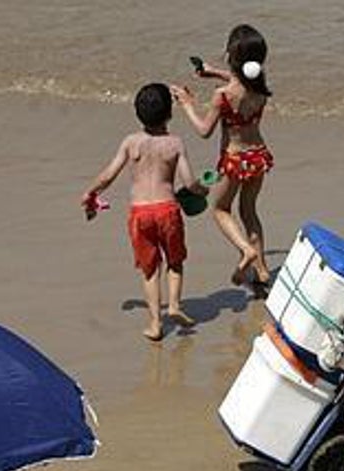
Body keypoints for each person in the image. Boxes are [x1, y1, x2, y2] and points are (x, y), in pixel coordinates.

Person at [81, 83, 203, 341]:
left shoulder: (131, 142)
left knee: (150, 270)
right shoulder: (175, 144)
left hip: (140, 214)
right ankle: (174, 305)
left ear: (137, 114)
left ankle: (155, 324)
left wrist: (90, 192)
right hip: (168, 210)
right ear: (170, 114)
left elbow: (108, 175)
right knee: (175, 261)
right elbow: (190, 182)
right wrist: (201, 190)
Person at [172, 24, 273, 297]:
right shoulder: (260, 85)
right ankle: (262, 270)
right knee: (250, 212)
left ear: (230, 54)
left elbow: (204, 131)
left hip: (235, 159)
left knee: (220, 209)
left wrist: (187, 104)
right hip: (258, 155)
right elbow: (241, 78)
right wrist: (213, 71)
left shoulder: (223, 96)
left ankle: (246, 250)